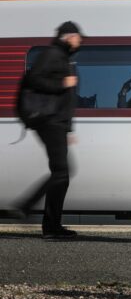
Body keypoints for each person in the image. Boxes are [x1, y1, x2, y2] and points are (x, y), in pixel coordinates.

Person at [10, 21, 84, 239]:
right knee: (62, 172)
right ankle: (28, 209)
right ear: (69, 36)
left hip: (56, 123)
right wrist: (63, 83)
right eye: (78, 37)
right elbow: (33, 79)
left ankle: (51, 225)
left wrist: (68, 130)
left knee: (63, 173)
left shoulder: (63, 58)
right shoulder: (53, 54)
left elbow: (66, 102)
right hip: (48, 120)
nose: (80, 41)